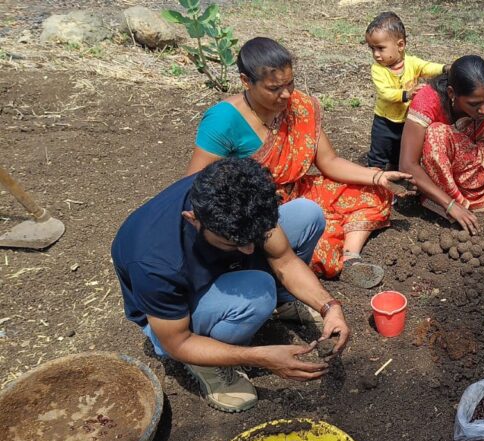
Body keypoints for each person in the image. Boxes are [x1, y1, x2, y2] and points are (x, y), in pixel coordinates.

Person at [112, 158, 351, 413]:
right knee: (259, 291)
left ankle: (283, 303)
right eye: (234, 243)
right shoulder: (155, 264)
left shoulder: (234, 191)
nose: (249, 250)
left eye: (254, 239)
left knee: (307, 214)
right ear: (194, 220)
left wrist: (330, 307)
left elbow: (284, 260)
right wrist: (259, 357)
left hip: (216, 268)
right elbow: (177, 342)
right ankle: (209, 364)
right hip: (173, 326)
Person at [186, 37, 410, 288]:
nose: (285, 95)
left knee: (374, 191)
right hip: (257, 208)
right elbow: (196, 185)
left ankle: (350, 257)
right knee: (311, 243)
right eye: (274, 88)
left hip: (299, 191)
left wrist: (378, 177)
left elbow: (329, 161)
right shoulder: (223, 120)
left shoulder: (299, 106)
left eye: (290, 84)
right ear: (246, 82)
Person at [399, 55, 484, 239]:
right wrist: (451, 205)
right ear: (451, 93)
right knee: (435, 134)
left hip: (483, 166)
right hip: (448, 176)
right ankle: (452, 201)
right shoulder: (428, 100)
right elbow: (408, 164)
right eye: (474, 104)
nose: (483, 110)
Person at [365, 12, 445, 170]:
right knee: (379, 153)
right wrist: (406, 95)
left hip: (407, 121)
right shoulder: (378, 69)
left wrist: (444, 68)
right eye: (372, 49)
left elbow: (426, 67)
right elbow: (385, 92)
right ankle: (373, 177)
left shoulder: (412, 63)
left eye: (380, 48)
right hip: (384, 122)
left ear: (400, 45)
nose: (376, 54)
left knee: (401, 151)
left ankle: (397, 177)